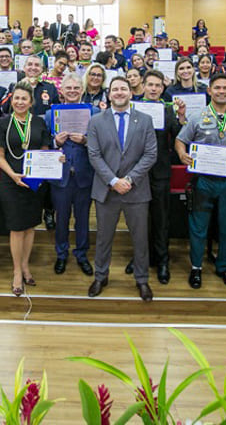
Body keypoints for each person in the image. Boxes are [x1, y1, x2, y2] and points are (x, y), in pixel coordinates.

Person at [175, 73, 226, 289]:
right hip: (203, 180)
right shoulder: (197, 117)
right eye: (217, 88)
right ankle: (196, 268)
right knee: (198, 227)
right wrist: (182, 154)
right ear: (209, 91)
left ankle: (224, 268)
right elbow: (180, 140)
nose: (222, 91)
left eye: (225, 88)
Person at [85, 76, 157, 301]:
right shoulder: (96, 121)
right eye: (115, 89)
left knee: (140, 238)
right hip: (107, 190)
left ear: (131, 92)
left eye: (123, 89)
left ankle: (142, 280)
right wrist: (114, 181)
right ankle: (100, 276)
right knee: (104, 237)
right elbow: (94, 155)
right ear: (109, 93)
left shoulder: (145, 120)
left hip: (136, 189)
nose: (119, 93)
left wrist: (130, 179)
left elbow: (150, 154)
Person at [0, 83, 52, 296]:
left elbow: (45, 151)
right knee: (17, 227)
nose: (19, 102)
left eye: (24, 99)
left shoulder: (38, 122)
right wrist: (12, 175)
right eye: (16, 98)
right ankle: (17, 271)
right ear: (11, 100)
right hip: (11, 181)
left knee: (30, 226)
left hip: (34, 181)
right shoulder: (4, 123)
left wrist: (56, 160)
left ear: (31, 102)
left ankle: (26, 265)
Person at [132, 69, 187, 284]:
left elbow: (180, 136)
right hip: (137, 171)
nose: (154, 89)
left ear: (162, 89)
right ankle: (140, 258)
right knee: (138, 218)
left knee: (161, 218)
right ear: (143, 86)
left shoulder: (168, 110)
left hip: (161, 171)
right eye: (150, 85)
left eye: (158, 86)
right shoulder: (133, 107)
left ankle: (163, 260)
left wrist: (181, 117)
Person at [44, 74, 95, 277]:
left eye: (76, 88)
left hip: (84, 175)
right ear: (61, 92)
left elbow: (100, 142)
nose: (72, 91)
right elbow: (43, 142)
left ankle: (82, 255)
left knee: (83, 219)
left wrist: (86, 140)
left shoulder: (94, 112)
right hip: (61, 176)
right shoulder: (50, 115)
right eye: (69, 88)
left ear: (82, 90)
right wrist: (55, 142)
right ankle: (62, 254)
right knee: (62, 218)